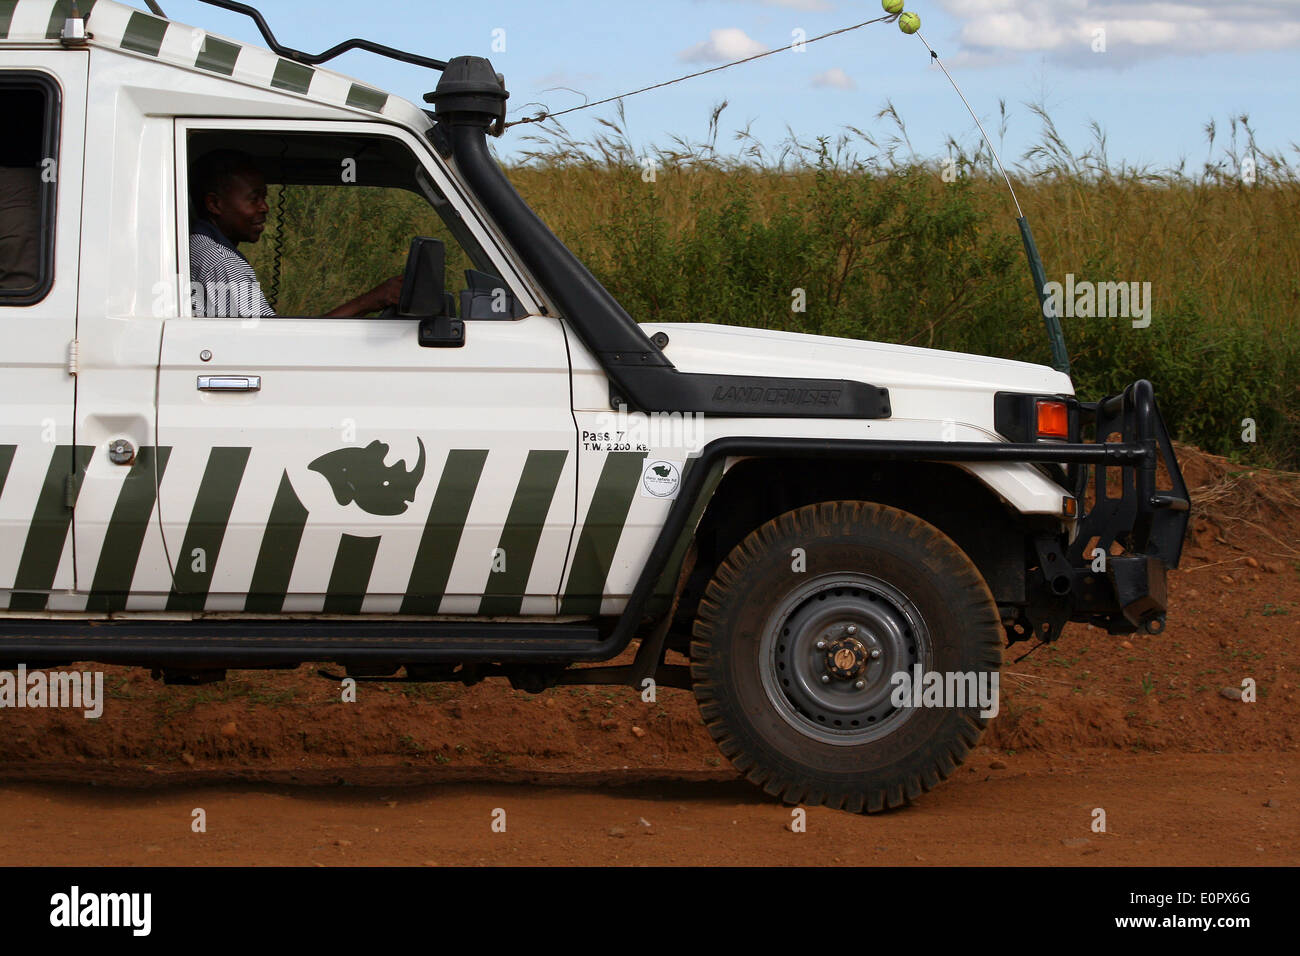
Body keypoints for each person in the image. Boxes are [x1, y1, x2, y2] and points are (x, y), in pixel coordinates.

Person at [189, 149, 402, 318]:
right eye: (254, 199)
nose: (265, 207)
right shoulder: (222, 262)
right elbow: (275, 345)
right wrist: (372, 300)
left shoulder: (197, 247)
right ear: (214, 204)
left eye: (264, 197)